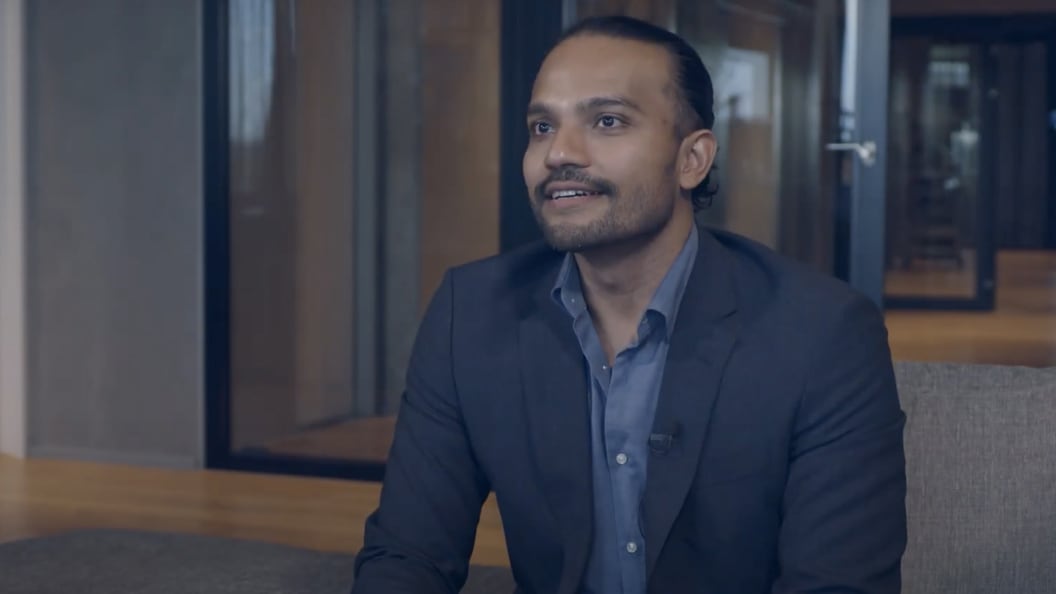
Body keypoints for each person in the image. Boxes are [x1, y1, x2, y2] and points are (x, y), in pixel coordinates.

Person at [352, 15, 906, 594]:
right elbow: (407, 554)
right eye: (542, 126)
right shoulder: (471, 311)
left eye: (607, 121)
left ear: (692, 159)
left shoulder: (824, 333)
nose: (558, 152)